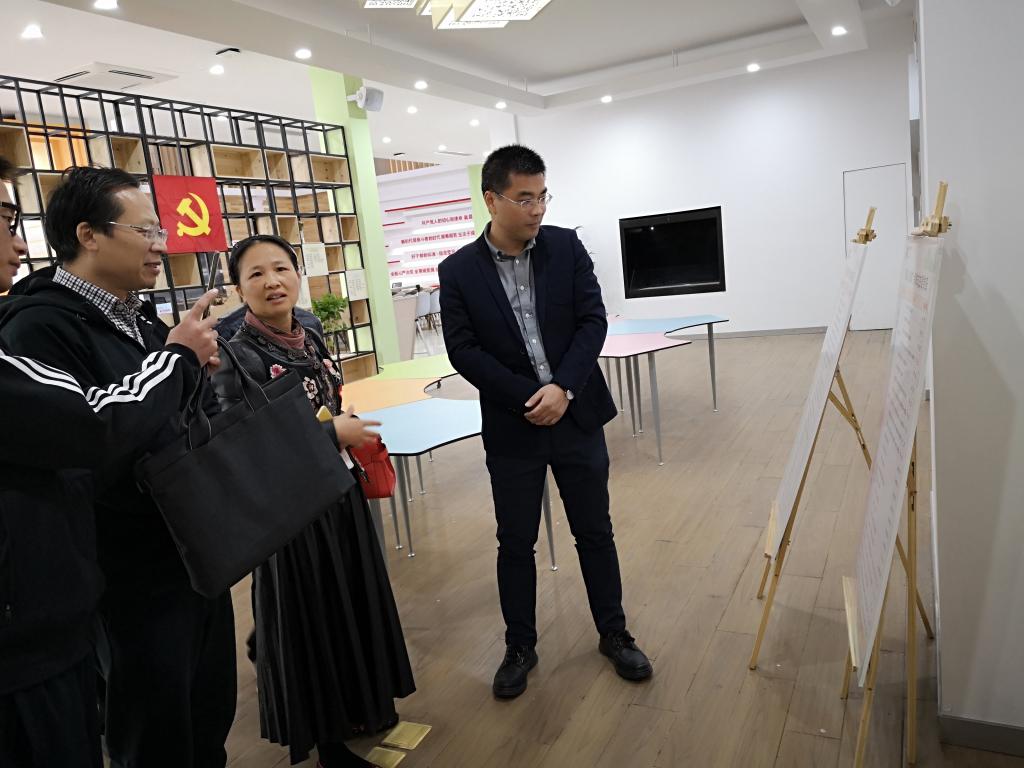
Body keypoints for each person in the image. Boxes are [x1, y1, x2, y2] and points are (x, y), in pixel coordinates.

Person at [0, 166, 236, 768]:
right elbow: (87, 442)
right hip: (127, 567)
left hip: (194, 544)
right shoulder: (38, 327)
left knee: (208, 708)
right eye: (145, 230)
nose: (160, 243)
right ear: (90, 235)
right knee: (153, 727)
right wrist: (176, 363)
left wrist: (190, 375)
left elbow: (168, 411)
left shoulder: (140, 317)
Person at [439, 145, 653, 699]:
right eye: (524, 198)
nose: (536, 209)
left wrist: (564, 388)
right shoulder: (458, 271)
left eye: (542, 196)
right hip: (515, 428)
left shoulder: (565, 246)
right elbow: (463, 350)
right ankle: (519, 646)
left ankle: (614, 633)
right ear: (492, 199)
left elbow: (592, 320)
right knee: (515, 542)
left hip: (576, 417)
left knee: (595, 531)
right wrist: (530, 397)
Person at [212, 234, 414, 768]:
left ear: (298, 274)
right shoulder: (233, 354)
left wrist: (339, 430)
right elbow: (238, 441)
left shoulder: (311, 330)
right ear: (238, 288)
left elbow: (326, 396)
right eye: (256, 274)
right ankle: (329, 743)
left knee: (349, 599)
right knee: (313, 619)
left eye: (281, 268)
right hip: (290, 510)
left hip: (338, 489)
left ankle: (363, 705)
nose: (272, 281)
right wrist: (330, 435)